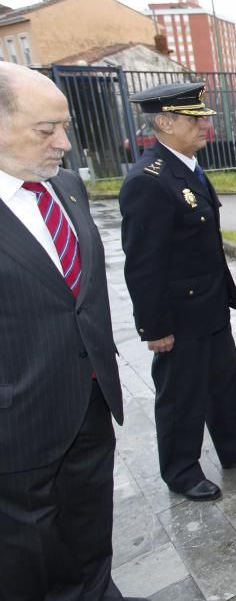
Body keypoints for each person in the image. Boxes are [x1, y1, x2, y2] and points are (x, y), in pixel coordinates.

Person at [0, 63, 134, 599]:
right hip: (18, 429)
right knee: (27, 560)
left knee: (90, 533)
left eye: (65, 125)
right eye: (45, 130)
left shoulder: (67, 187)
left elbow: (80, 302)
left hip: (90, 404)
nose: (65, 143)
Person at [119, 82, 236, 503]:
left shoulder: (188, 165)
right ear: (164, 122)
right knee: (180, 394)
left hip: (209, 302)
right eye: (195, 120)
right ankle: (181, 471)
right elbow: (143, 262)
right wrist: (155, 327)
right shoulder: (148, 180)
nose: (205, 126)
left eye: (204, 119)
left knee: (224, 379)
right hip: (178, 313)